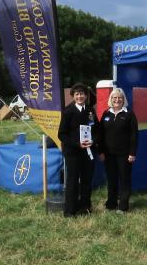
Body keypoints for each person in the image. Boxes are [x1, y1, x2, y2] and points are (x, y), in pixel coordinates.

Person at [58, 83, 98, 217]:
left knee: (87, 180)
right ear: (73, 96)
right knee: (72, 181)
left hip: (88, 152)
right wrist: (77, 144)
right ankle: (70, 210)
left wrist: (93, 140)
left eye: (82, 94)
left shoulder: (91, 110)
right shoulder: (68, 111)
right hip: (73, 153)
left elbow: (97, 130)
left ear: (86, 95)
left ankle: (85, 207)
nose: (80, 96)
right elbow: (61, 134)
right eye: (77, 94)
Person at [98, 88, 138, 213]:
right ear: (111, 99)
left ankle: (123, 206)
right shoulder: (106, 114)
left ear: (123, 99)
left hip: (124, 154)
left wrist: (132, 153)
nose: (117, 100)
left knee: (124, 179)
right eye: (114, 97)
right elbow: (100, 134)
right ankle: (111, 203)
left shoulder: (129, 114)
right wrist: (101, 151)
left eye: (119, 97)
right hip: (108, 154)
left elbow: (134, 135)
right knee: (111, 179)